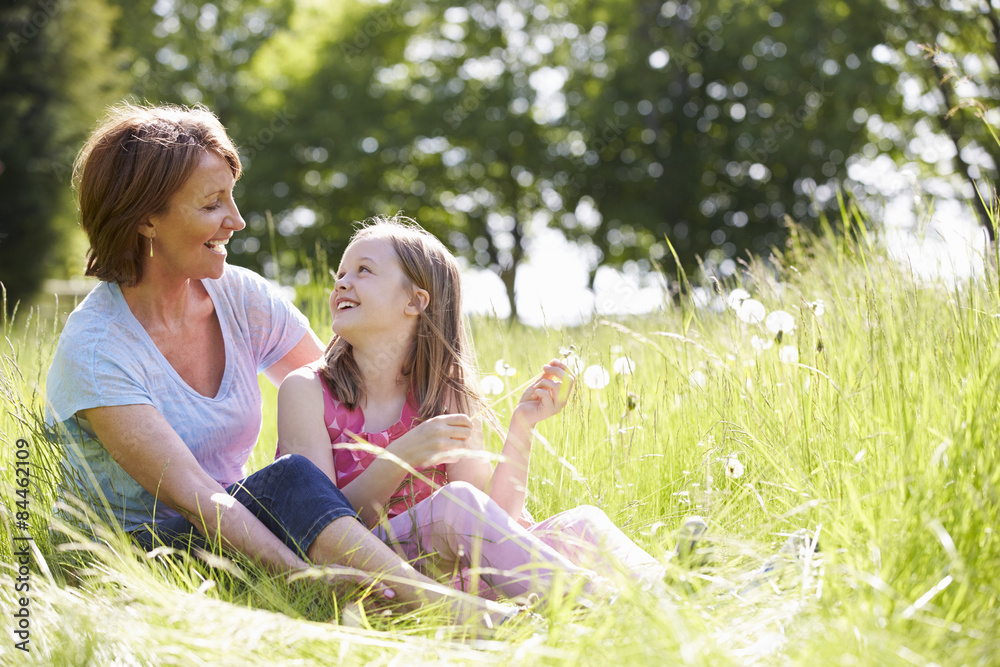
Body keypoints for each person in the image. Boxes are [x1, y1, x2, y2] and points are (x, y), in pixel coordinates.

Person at [45, 104, 514, 627]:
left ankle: (487, 591)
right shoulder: (97, 348)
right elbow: (195, 497)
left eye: (232, 196)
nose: (237, 220)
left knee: (295, 482)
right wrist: (305, 579)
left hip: (247, 522)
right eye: (212, 204)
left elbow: (345, 387)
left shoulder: (240, 296)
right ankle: (450, 613)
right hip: (140, 555)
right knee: (290, 479)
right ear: (146, 219)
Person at [276, 215, 669, 603]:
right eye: (341, 273)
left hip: (450, 576)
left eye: (364, 270)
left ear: (416, 301)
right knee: (455, 503)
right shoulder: (307, 390)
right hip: (365, 577)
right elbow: (317, 524)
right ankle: (605, 605)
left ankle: (674, 591)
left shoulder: (445, 392)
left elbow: (496, 521)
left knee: (581, 523)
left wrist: (523, 426)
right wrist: (401, 456)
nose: (342, 282)